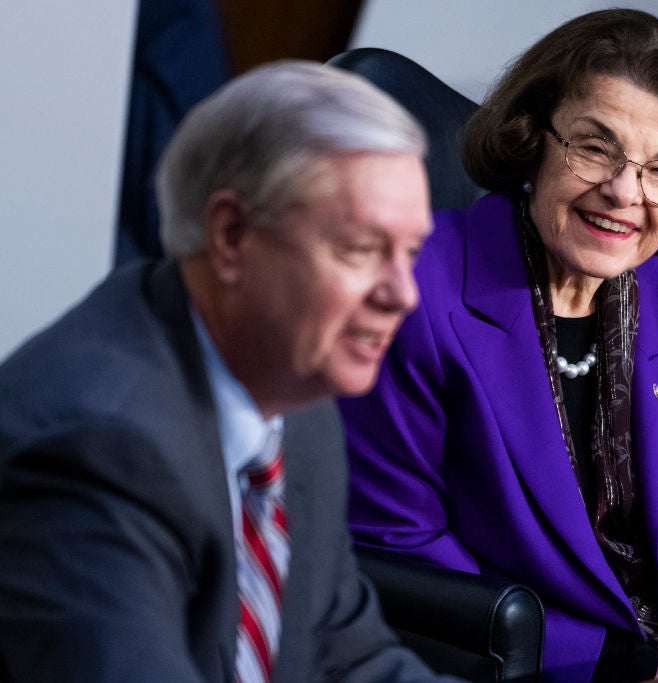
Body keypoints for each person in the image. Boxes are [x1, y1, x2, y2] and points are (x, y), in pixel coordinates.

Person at [337, 9, 658, 682]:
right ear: (532, 139)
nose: (623, 191)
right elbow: (399, 549)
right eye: (595, 147)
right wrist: (623, 663)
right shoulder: (410, 291)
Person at [0, 61, 457, 682]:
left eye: (410, 252)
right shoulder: (98, 443)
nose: (404, 293)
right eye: (360, 249)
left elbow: (349, 657)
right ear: (231, 234)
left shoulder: (299, 401)